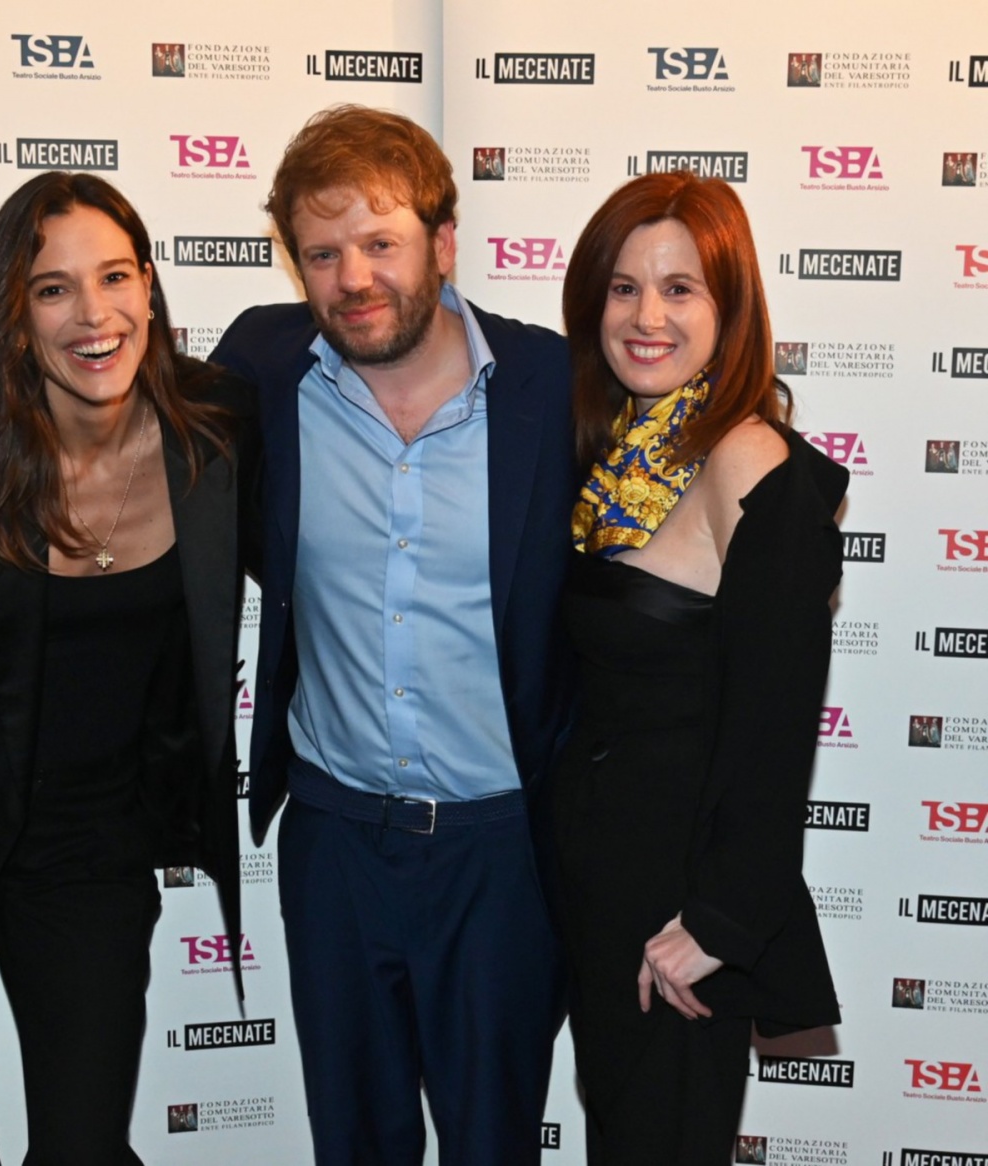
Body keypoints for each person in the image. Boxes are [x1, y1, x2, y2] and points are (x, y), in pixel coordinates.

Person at [210, 105, 574, 1165]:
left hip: (502, 853)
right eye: (322, 254)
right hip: (334, 841)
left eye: (380, 242)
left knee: (492, 1143)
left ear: (442, 243)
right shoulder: (263, 368)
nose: (353, 278)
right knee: (353, 1144)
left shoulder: (554, 387)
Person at [0, 171, 257, 1165]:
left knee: (84, 1146)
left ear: (150, 284)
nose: (94, 315)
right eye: (53, 288)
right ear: (13, 316)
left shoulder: (215, 435)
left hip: (93, 855)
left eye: (114, 276)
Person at [553, 171, 845, 1163]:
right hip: (593, 883)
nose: (647, 317)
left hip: (677, 908)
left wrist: (718, 920)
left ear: (730, 307)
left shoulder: (747, 461)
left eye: (680, 289)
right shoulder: (615, 457)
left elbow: (776, 719)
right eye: (623, 288)